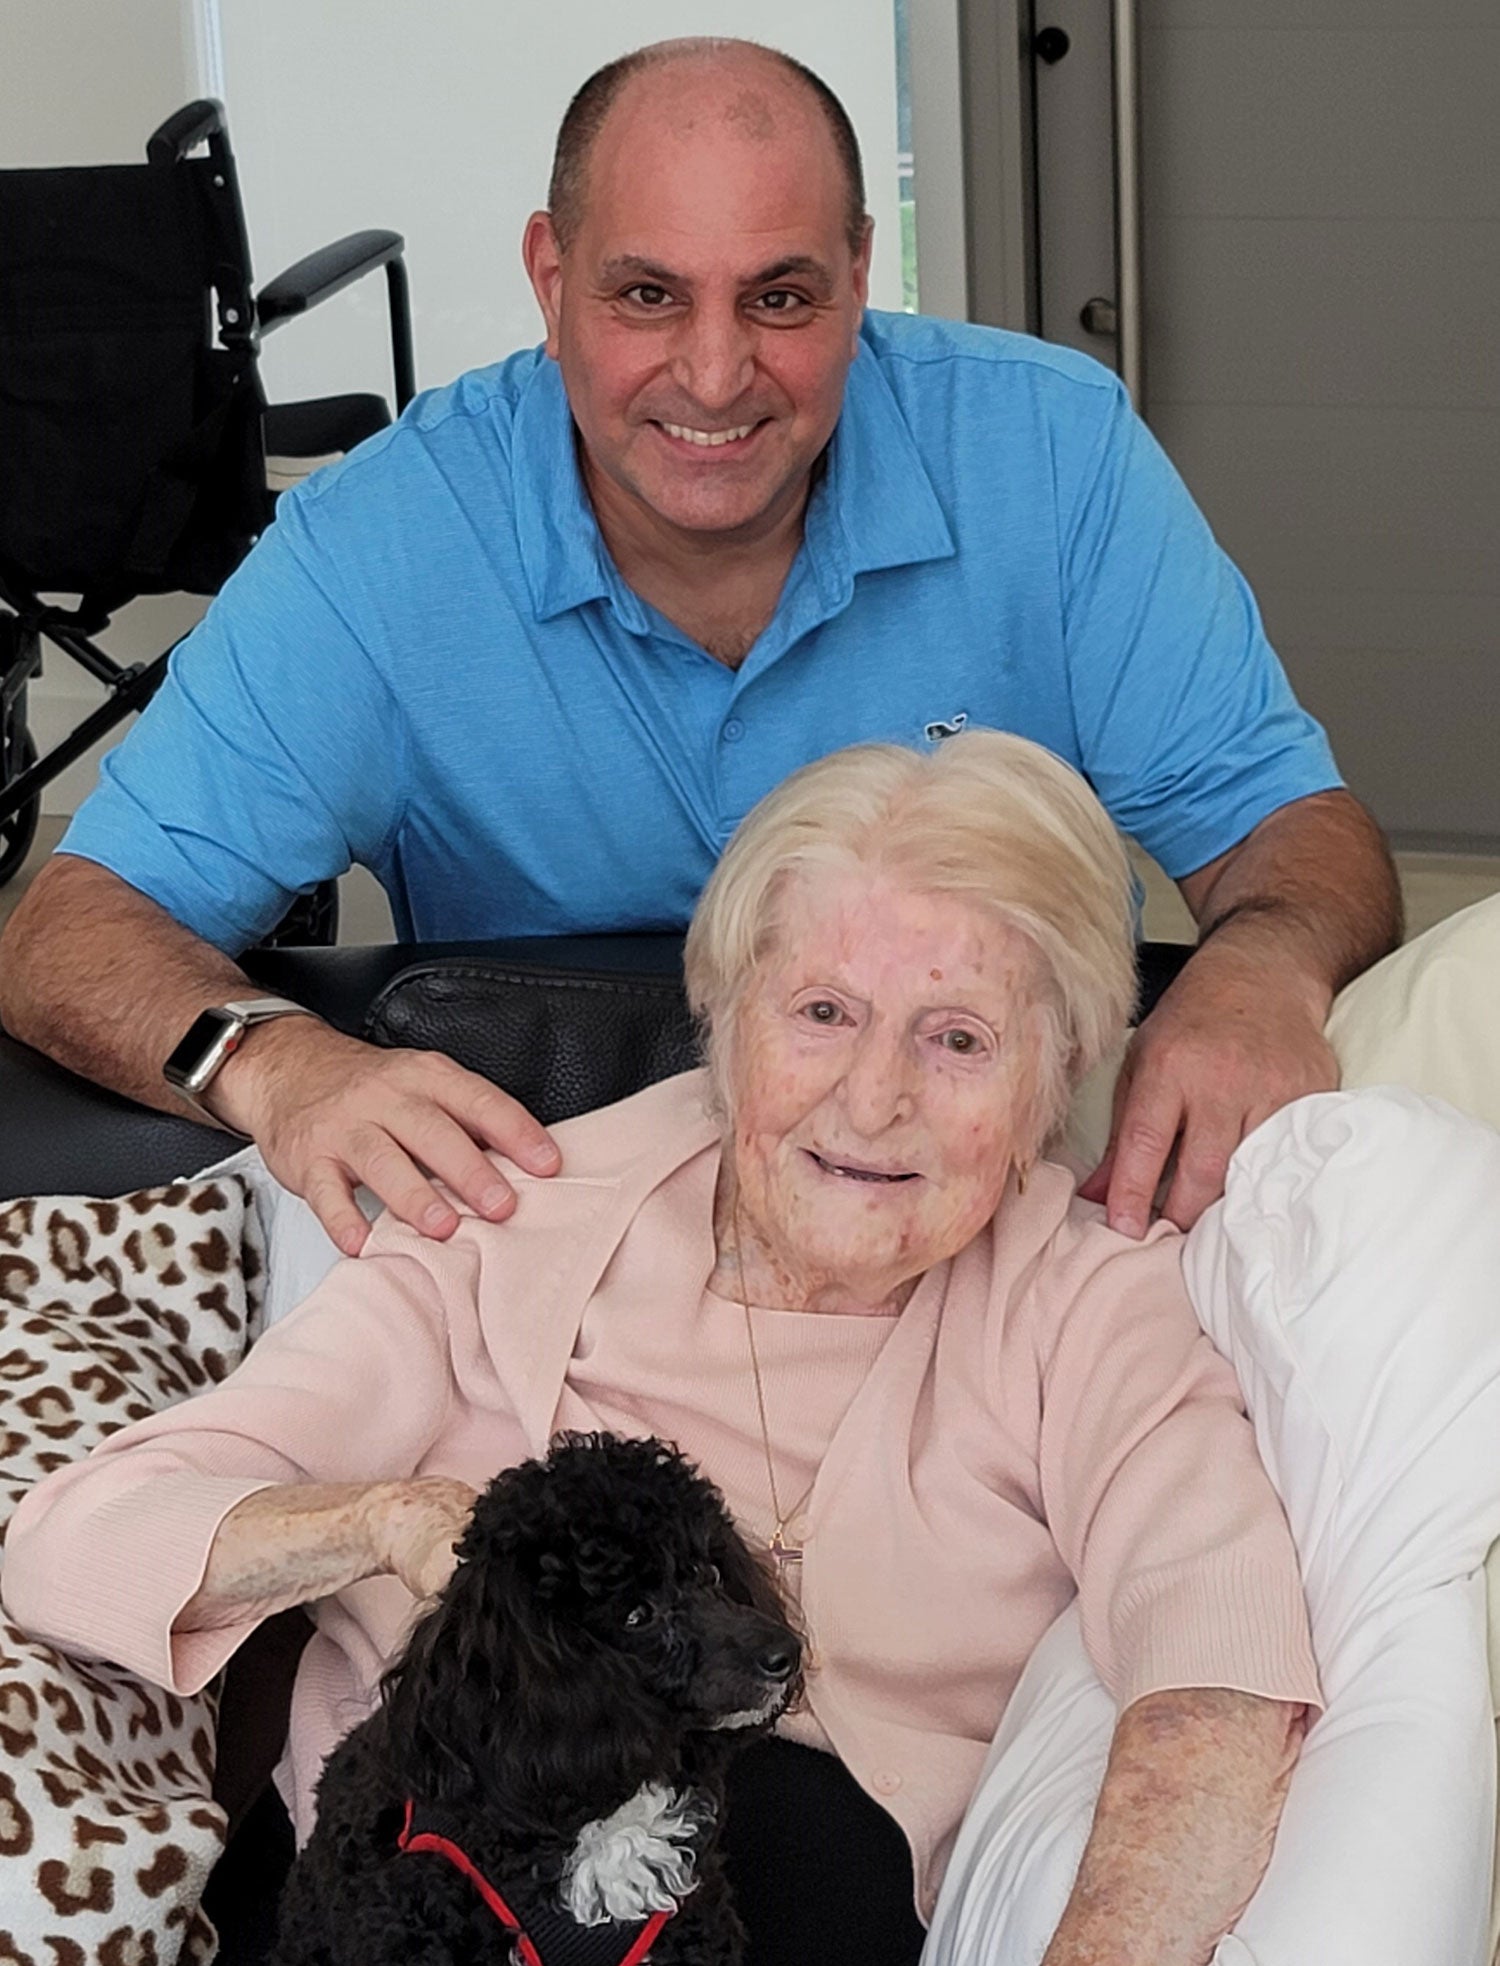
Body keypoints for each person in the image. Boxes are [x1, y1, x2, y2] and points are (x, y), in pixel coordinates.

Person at [0, 38, 1400, 1258]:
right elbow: (70, 936)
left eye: (780, 298)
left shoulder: (1054, 454)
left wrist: (1261, 969)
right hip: (567, 1199)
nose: (716, 377)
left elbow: (1294, 835)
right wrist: (277, 1065)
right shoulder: (380, 545)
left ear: (860, 275)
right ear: (549, 279)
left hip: (983, 1193)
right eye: (647, 296)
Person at [3, 731, 1321, 1966]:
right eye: (821, 1011)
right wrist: (389, 1523)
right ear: (725, 1010)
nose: (873, 1100)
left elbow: (1217, 1671)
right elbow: (74, 1542)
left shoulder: (1098, 1303)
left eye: (959, 1038)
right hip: (418, 1913)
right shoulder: (509, 1220)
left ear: (1063, 1068)